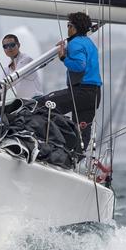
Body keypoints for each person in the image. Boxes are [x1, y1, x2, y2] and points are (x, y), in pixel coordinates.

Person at [38, 12, 101, 150]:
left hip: (81, 92)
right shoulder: (88, 42)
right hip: (94, 94)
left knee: (44, 105)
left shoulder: (76, 43)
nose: (68, 28)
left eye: (69, 25)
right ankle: (74, 157)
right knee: (81, 131)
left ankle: (48, 143)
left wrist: (63, 58)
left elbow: (79, 65)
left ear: (75, 28)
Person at [1, 34, 43, 99]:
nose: (9, 48)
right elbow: (3, 87)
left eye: (12, 45)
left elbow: (16, 73)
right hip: (23, 104)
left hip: (36, 99)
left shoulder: (26, 59)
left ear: (18, 45)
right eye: (5, 46)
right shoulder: (7, 69)